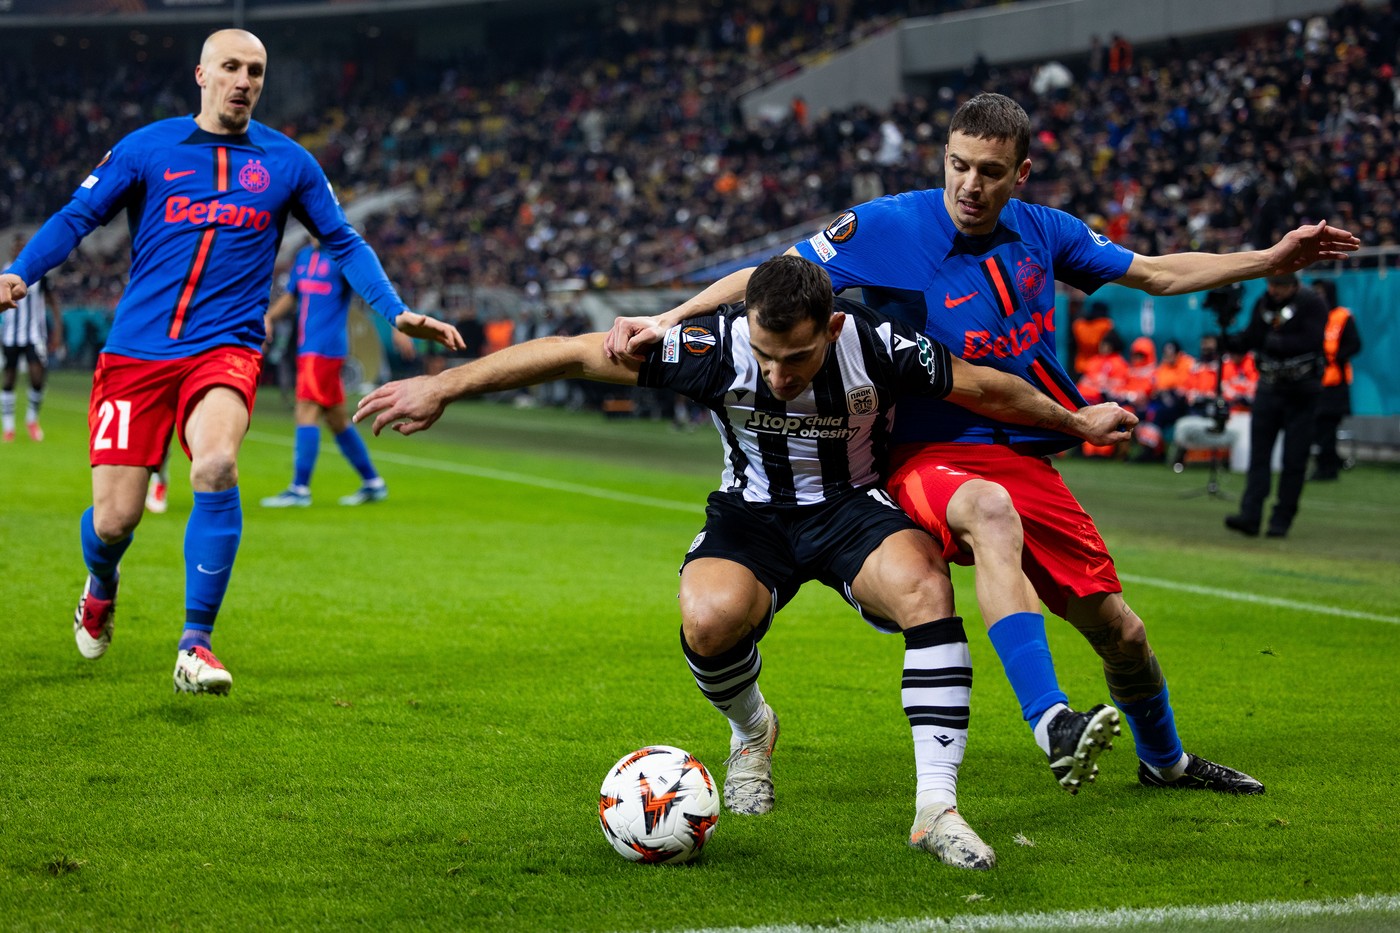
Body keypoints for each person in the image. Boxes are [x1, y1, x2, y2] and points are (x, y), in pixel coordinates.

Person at [608, 93, 1360, 795]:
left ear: (1020, 173)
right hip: (929, 455)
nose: (969, 184)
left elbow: (1157, 273)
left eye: (990, 171)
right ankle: (1051, 719)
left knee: (1120, 631)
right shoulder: (890, 226)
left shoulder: (1047, 231)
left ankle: (1164, 761)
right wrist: (668, 319)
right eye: (957, 165)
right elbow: (772, 276)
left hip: (1025, 448)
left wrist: (1269, 259)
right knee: (990, 513)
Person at [356, 255, 1136, 870]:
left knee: (926, 588)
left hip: (849, 509)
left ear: (830, 328)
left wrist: (1076, 421)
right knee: (707, 618)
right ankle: (752, 729)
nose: (777, 375)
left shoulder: (877, 344)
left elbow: (987, 388)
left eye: (795, 358)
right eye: (765, 355)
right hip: (750, 515)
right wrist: (445, 388)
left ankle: (937, 809)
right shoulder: (710, 345)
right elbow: (569, 355)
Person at [0, 29, 463, 695]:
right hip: (136, 354)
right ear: (202, 74)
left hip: (226, 349)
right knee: (115, 520)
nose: (244, 79)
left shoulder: (288, 162)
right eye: (231, 67)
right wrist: (20, 272)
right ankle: (101, 582)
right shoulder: (146, 149)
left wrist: (394, 310)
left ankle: (196, 642)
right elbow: (77, 217)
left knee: (216, 463)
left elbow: (342, 238)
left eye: (256, 70)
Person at [259, 240, 404, 508]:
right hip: (307, 348)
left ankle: (299, 489)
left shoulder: (342, 256)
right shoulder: (303, 257)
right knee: (336, 420)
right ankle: (373, 483)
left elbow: (370, 289)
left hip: (325, 350)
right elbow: (292, 295)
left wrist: (398, 323)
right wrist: (269, 317)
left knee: (306, 411)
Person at [1222, 272, 1330, 538]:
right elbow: (1252, 337)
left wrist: (1273, 342)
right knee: (1260, 457)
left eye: (1279, 286)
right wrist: (1230, 335)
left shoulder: (1312, 304)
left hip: (1302, 392)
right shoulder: (1264, 302)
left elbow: (1311, 340)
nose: (1274, 291)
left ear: (1293, 285)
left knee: (1294, 458)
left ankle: (1281, 520)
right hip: (1269, 388)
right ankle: (1250, 515)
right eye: (1271, 285)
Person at [1, 233, 63, 443]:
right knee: (9, 378)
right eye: (16, 247)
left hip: (34, 335)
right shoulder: (3, 273)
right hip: (10, 335)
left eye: (22, 247)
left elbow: (53, 302)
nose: (19, 250)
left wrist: (58, 331)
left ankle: (31, 420)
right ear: (11, 249)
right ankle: (8, 427)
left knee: (37, 377)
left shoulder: (39, 274)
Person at [1308, 279, 1362, 481]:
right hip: (1314, 381)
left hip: (1335, 383)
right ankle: (1329, 462)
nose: (1318, 296)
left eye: (1321, 292)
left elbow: (1355, 344)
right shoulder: (1313, 316)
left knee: (1327, 426)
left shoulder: (1342, 316)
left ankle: (1328, 468)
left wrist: (1335, 357)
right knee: (1316, 427)